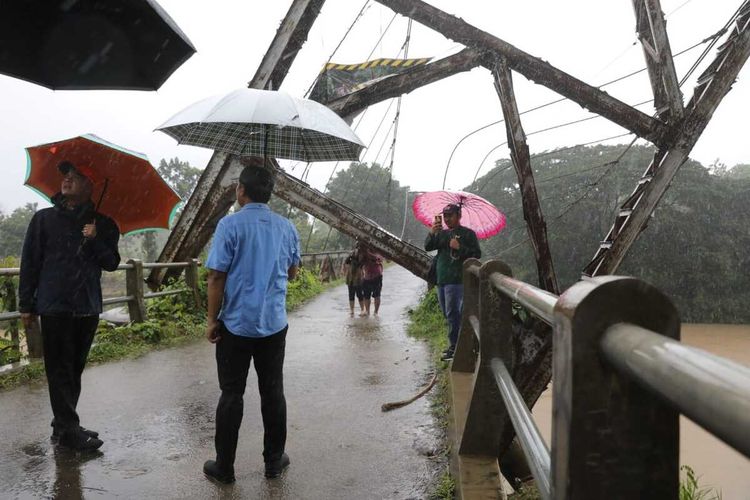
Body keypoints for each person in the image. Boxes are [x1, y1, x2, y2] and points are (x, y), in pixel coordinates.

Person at [203, 164, 301, 484]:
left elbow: (216, 275)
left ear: (241, 191)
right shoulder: (286, 228)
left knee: (232, 394)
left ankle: (225, 468)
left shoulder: (229, 226)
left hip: (236, 324)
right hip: (273, 323)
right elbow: (292, 272)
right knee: (273, 392)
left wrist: (211, 320)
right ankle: (274, 461)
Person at [19, 161, 121, 451]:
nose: (68, 179)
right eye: (66, 175)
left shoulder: (104, 224)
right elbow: (30, 262)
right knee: (58, 369)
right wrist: (26, 303)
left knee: (74, 369)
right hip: (54, 305)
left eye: (77, 176)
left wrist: (95, 238)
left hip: (87, 306)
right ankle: (69, 431)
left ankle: (64, 425)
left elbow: (111, 262)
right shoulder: (44, 220)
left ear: (91, 187)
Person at [424, 203, 481, 361]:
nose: (447, 219)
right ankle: (456, 345)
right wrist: (432, 232)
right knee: (447, 313)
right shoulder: (442, 234)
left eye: (450, 216)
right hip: (441, 279)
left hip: (456, 280)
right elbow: (428, 247)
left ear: (459, 215)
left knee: (452, 313)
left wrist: (459, 247)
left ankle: (455, 347)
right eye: (445, 216)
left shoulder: (468, 234)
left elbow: (476, 254)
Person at [342, 242, 365, 317]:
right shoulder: (351, 254)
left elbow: (361, 263)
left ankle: (362, 309)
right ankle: (352, 310)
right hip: (351, 276)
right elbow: (346, 262)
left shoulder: (363, 255)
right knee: (351, 294)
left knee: (359, 294)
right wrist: (352, 256)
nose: (357, 249)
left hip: (358, 276)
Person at [360, 245, 384, 316]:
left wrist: (367, 252)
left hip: (377, 277)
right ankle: (367, 311)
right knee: (366, 295)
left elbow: (378, 258)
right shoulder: (363, 253)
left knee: (377, 295)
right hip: (366, 277)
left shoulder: (378, 252)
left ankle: (375, 312)